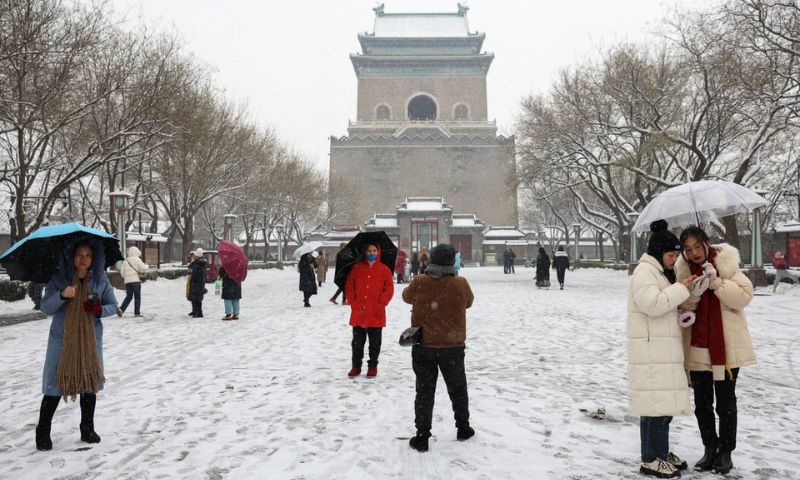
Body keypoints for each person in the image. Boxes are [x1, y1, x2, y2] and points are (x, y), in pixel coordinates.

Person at [676, 226, 756, 474]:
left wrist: (717, 282)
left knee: (725, 403)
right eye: (688, 249)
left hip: (727, 349)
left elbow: (744, 297)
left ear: (706, 243)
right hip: (698, 347)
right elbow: (682, 307)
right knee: (702, 404)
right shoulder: (683, 270)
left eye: (698, 246)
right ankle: (709, 448)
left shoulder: (726, 262)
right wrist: (695, 295)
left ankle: (725, 452)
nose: (694, 253)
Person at [627, 220, 696, 478]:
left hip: (661, 347)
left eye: (676, 255)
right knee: (656, 407)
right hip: (651, 351)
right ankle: (650, 459)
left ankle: (660, 453)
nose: (674, 259)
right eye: (671, 255)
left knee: (661, 406)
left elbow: (663, 307)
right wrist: (680, 289)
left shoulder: (659, 272)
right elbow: (652, 304)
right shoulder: (645, 272)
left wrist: (684, 296)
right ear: (658, 253)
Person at [36, 239, 119, 451]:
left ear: (94, 259)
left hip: (90, 341)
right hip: (62, 341)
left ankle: (87, 429)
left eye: (88, 255)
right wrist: (62, 295)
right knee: (55, 385)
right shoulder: (59, 279)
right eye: (79, 254)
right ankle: (43, 432)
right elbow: (45, 307)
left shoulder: (101, 282)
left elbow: (113, 306)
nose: (83, 258)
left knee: (89, 384)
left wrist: (99, 310)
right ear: (72, 257)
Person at [402, 243, 475, 452]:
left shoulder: (420, 281)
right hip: (453, 345)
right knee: (458, 388)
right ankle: (463, 427)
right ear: (452, 261)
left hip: (424, 344)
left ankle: (422, 436)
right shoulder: (460, 283)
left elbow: (406, 297)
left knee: (424, 391)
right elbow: (468, 302)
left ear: (431, 260)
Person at [345, 243, 394, 378]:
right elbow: (349, 286)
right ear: (365, 252)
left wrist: (381, 302)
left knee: (375, 343)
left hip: (376, 312)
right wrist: (353, 302)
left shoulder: (384, 269)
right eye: (369, 251)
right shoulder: (357, 268)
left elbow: (389, 288)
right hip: (359, 311)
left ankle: (373, 366)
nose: (371, 253)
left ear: (378, 252)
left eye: (374, 250)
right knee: (357, 343)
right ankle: (356, 366)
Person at [117, 246, 148, 317]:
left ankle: (121, 309)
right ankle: (137, 313)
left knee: (129, 296)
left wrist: (127, 278)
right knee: (137, 297)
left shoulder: (125, 261)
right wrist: (147, 266)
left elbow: (122, 273)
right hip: (136, 281)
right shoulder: (137, 259)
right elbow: (143, 268)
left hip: (127, 282)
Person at [186, 248, 207, 318]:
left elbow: (192, 273)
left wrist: (193, 281)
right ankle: (196, 311)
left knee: (196, 298)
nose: (193, 256)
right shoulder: (200, 263)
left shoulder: (196, 264)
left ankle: (198, 313)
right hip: (200, 283)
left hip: (196, 283)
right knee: (196, 298)